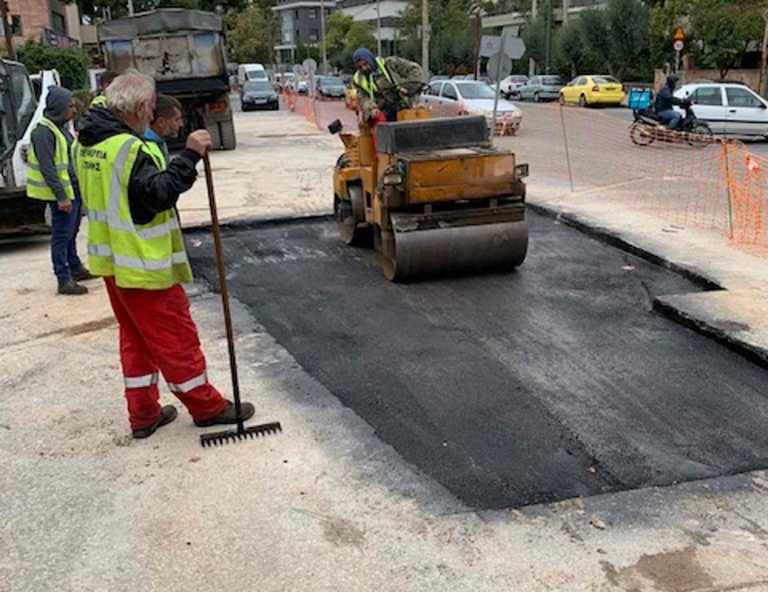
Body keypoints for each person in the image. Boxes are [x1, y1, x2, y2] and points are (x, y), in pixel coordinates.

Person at [74, 70, 255, 439]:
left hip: (112, 262)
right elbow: (156, 195)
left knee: (136, 339)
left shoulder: (87, 142)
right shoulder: (128, 149)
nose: (153, 114)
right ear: (140, 107)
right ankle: (207, 407)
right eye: (152, 107)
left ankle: (143, 414)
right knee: (176, 336)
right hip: (142, 263)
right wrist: (188, 156)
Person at [27, 86, 95, 295]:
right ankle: (63, 279)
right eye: (70, 106)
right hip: (62, 195)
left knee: (72, 232)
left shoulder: (60, 128)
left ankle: (75, 267)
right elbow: (48, 168)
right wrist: (61, 197)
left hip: (73, 190)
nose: (73, 110)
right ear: (58, 107)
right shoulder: (43, 131)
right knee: (61, 235)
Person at [351, 48, 424, 123]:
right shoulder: (358, 79)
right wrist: (371, 109)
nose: (364, 68)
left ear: (370, 60)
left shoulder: (390, 63)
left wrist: (408, 88)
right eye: (360, 67)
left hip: (404, 105)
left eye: (366, 64)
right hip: (384, 113)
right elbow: (363, 98)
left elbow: (415, 69)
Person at [144, 94, 184, 167]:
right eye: (177, 120)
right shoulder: (146, 149)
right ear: (161, 122)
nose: (181, 124)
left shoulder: (158, 143)